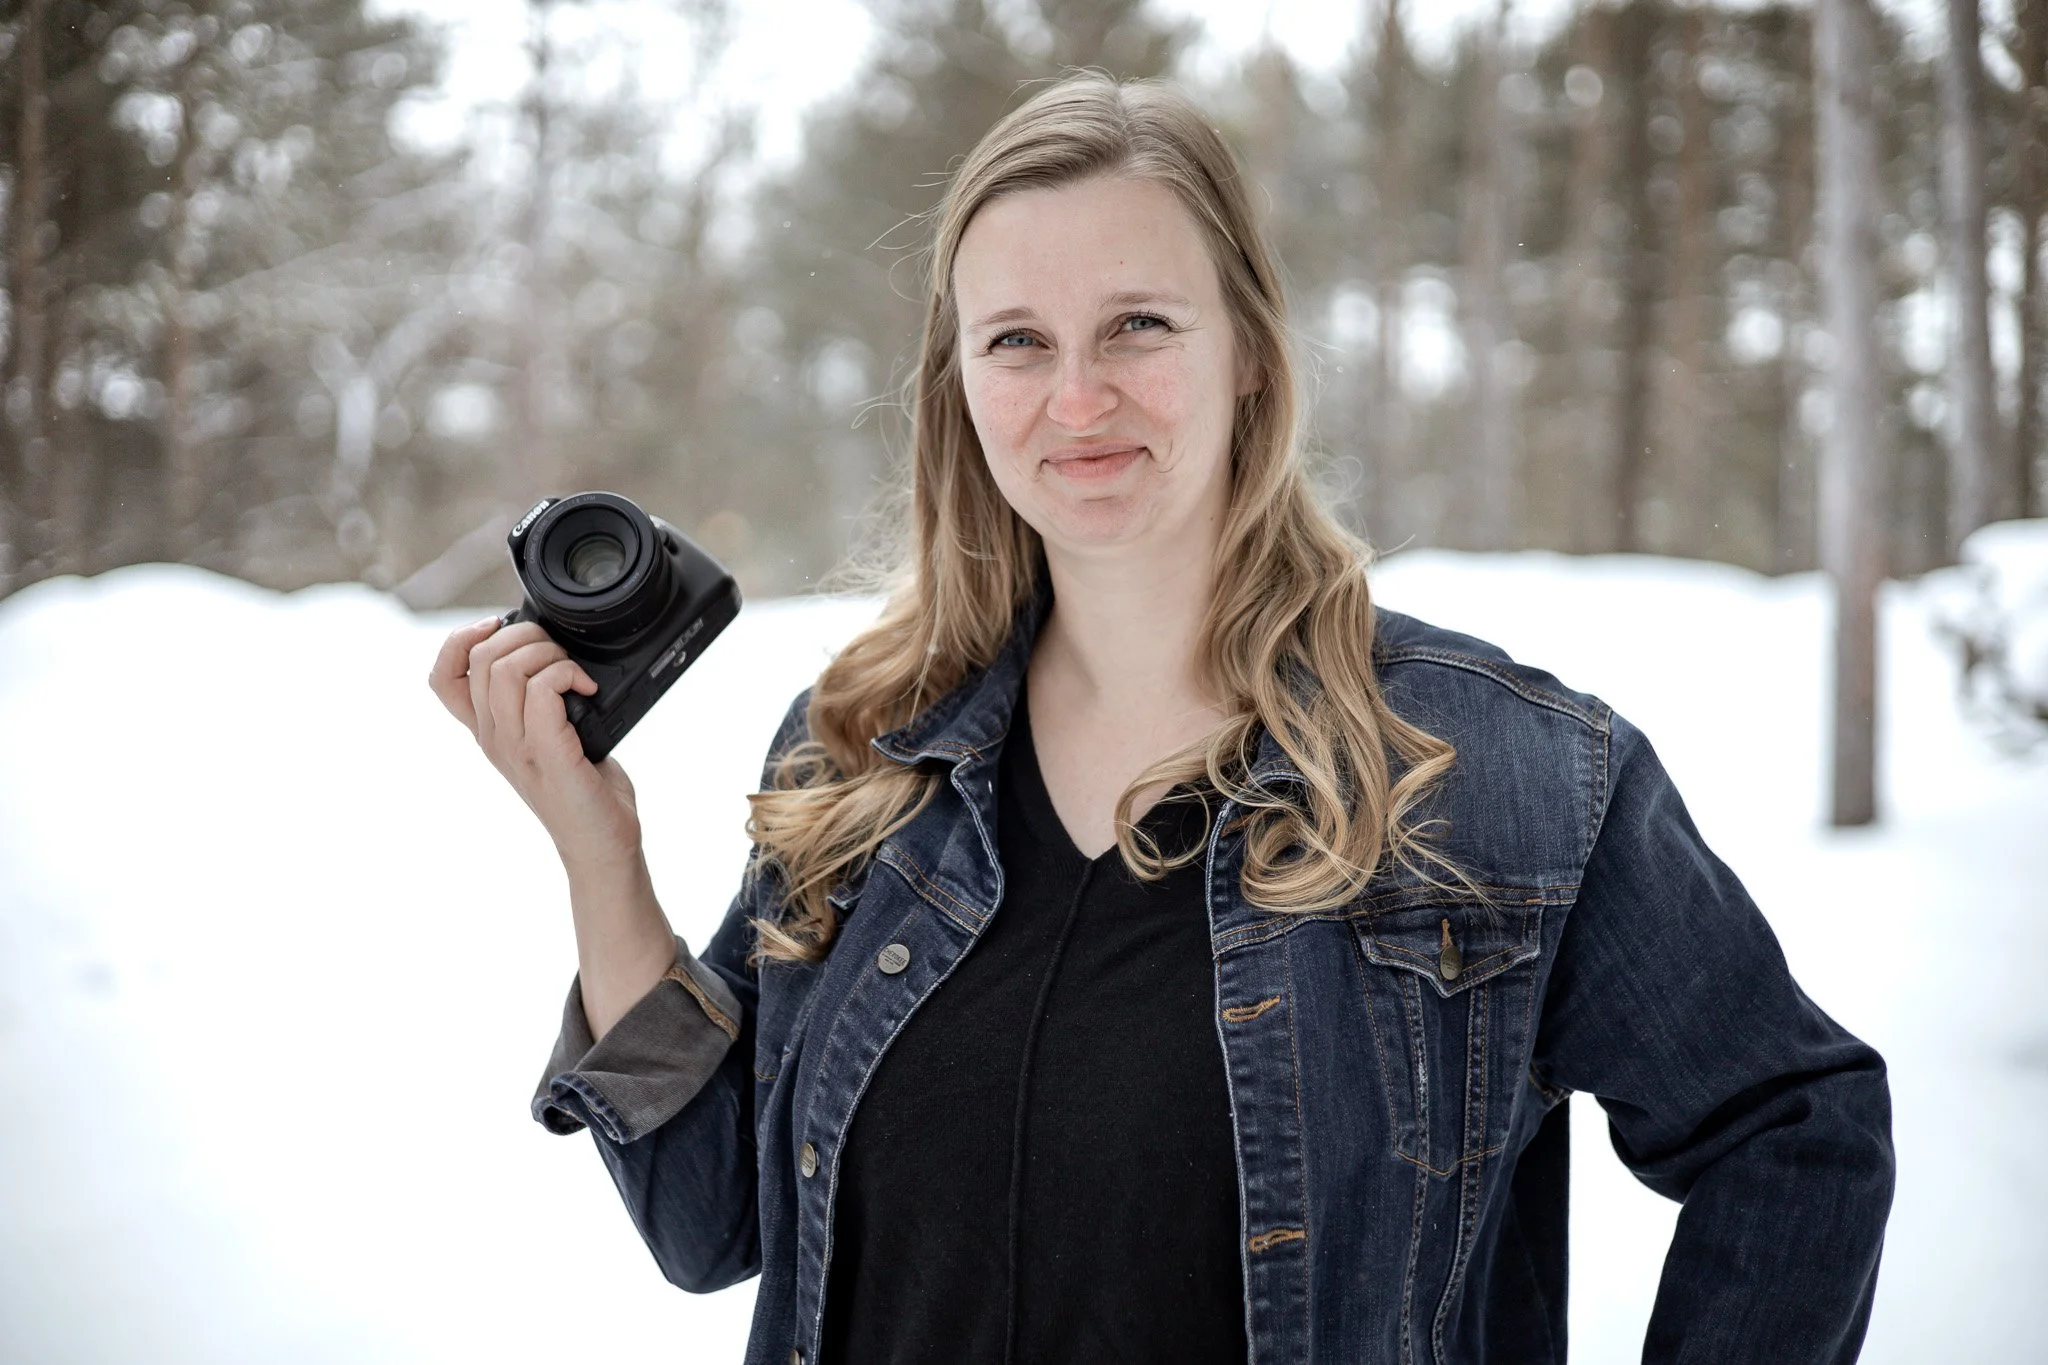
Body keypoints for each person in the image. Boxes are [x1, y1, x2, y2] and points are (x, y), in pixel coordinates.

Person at [428, 72, 1894, 1365]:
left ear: (1249, 348)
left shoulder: (1497, 779)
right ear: (959, 383)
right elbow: (712, 1224)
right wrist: (599, 855)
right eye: (1016, 340)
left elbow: (1794, 1131)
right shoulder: (864, 755)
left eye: (1137, 323)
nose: (1079, 399)